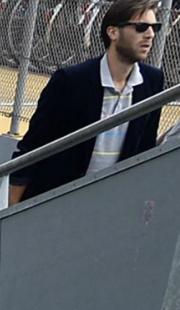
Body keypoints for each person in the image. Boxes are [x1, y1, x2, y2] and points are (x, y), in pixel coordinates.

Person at [10, 0, 165, 202]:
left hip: (112, 203)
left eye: (155, 28)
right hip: (58, 200)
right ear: (113, 32)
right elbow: (33, 147)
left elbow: (144, 148)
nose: (150, 34)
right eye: (141, 27)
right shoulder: (71, 81)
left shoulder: (152, 81)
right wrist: (13, 209)